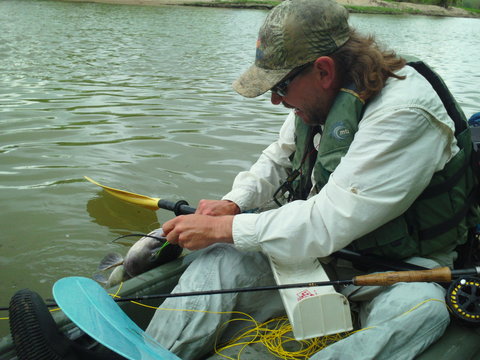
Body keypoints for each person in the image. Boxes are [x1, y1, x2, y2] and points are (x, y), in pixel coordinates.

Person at [145, 0, 479, 358]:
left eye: (282, 85)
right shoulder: (323, 98)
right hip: (327, 255)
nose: (275, 99)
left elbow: (329, 221)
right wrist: (234, 203)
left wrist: (225, 228)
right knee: (221, 258)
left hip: (402, 270)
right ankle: (150, 352)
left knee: (419, 315)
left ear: (323, 70)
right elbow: (278, 158)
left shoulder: (405, 114)